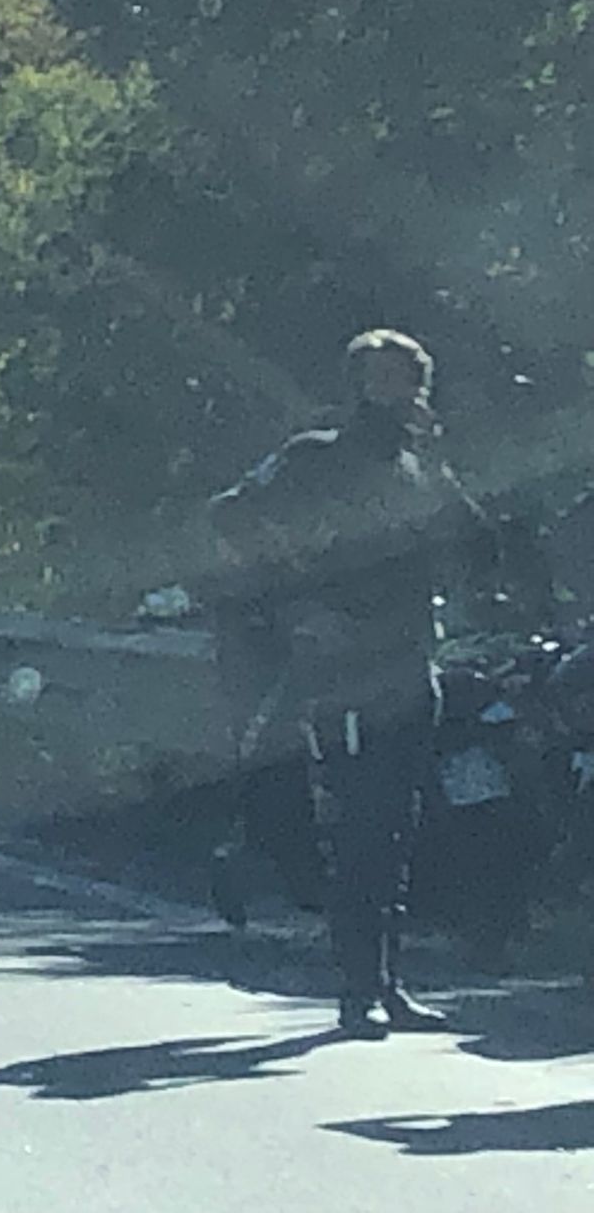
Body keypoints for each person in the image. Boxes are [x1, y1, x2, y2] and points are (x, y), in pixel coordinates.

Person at [206, 328, 493, 1039]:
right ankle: (355, 988)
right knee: (360, 826)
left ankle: (387, 983)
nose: (394, 392)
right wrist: (296, 605)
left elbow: (479, 543)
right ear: (357, 385)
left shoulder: (420, 467)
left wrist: (438, 458)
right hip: (342, 669)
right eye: (379, 378)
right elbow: (230, 515)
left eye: (406, 380)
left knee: (397, 827)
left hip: (409, 661)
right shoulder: (315, 457)